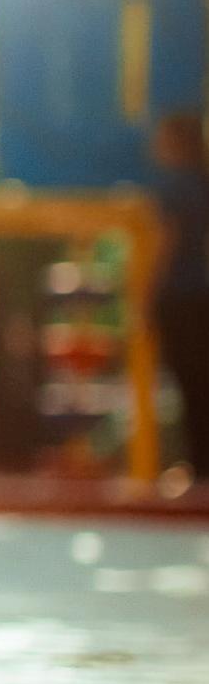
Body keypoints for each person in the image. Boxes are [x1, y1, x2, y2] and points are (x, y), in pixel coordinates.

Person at [149, 111, 209, 482]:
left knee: (189, 381)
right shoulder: (202, 183)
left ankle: (199, 465)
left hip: (180, 295)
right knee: (200, 379)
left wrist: (146, 293)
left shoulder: (174, 187)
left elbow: (165, 244)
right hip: (202, 294)